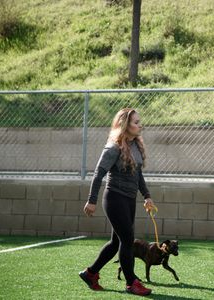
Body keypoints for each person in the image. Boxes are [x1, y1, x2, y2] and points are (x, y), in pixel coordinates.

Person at [79, 108, 155, 296]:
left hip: (129, 200)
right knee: (128, 239)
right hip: (114, 198)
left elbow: (138, 174)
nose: (140, 125)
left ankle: (90, 273)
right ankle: (131, 282)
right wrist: (91, 200)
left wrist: (147, 196)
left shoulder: (135, 145)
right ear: (124, 125)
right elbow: (99, 174)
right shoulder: (114, 147)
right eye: (136, 122)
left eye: (139, 121)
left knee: (116, 243)